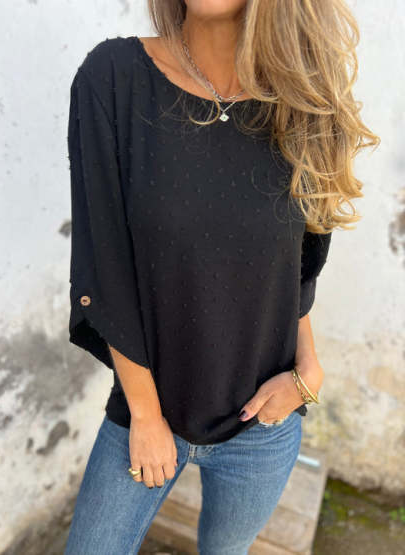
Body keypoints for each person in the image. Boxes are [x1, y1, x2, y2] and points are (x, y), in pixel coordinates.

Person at [64, 1, 379, 553]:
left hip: (263, 425)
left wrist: (308, 370)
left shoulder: (303, 105)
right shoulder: (113, 79)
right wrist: (146, 415)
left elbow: (294, 268)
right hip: (147, 410)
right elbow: (104, 264)